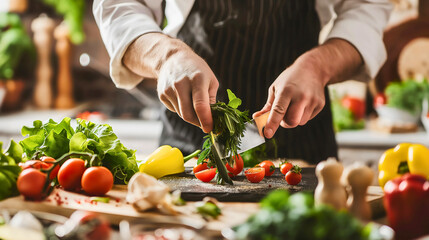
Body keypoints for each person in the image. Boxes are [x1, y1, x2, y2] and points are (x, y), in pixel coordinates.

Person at [93, 0, 392, 163]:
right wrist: (166, 56)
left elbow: (367, 8)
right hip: (188, 141)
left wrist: (318, 66)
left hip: (303, 138)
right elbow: (119, 6)